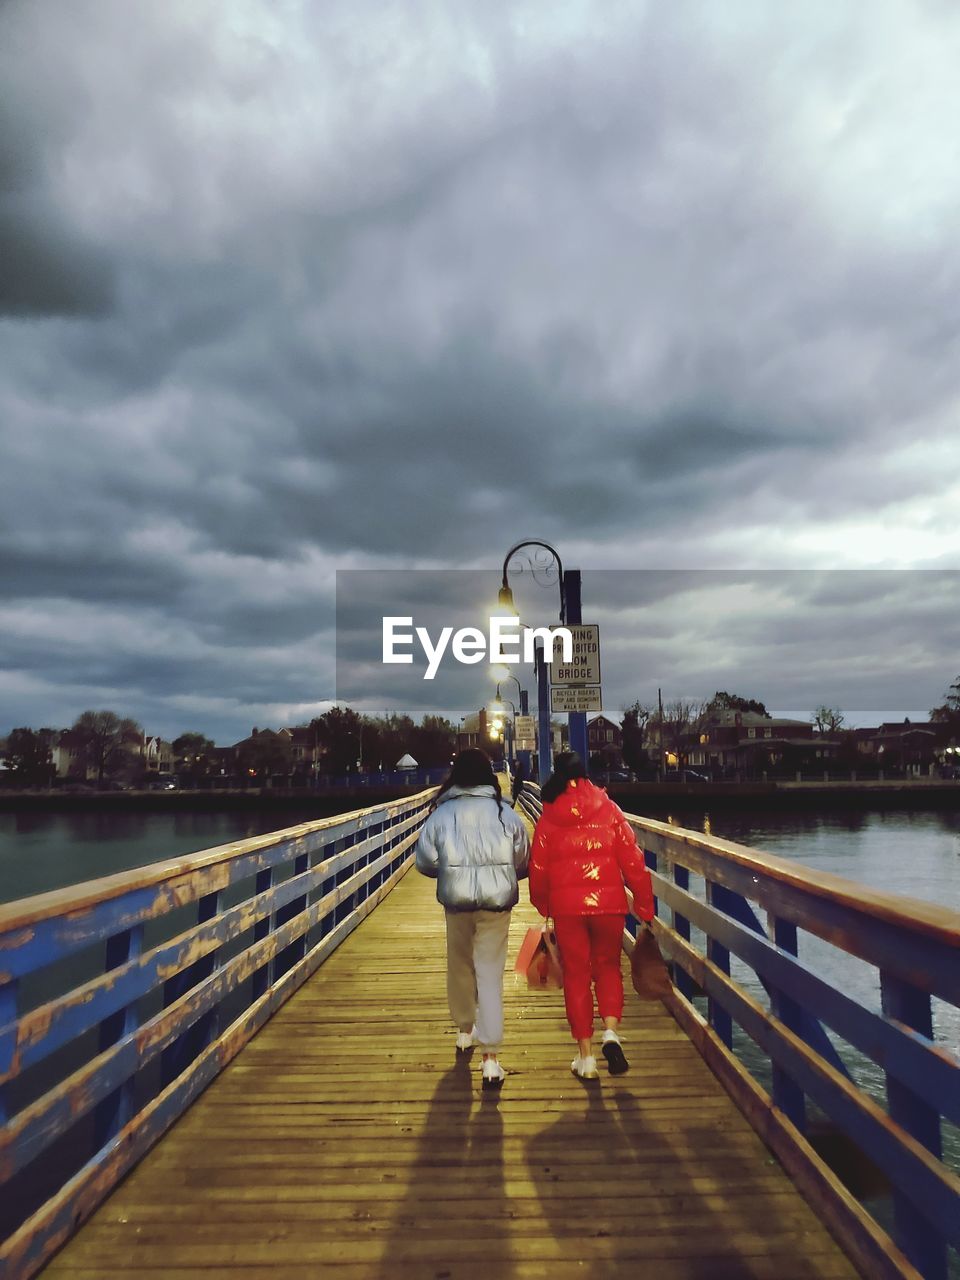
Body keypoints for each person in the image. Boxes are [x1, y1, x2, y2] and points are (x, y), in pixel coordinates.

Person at [528, 751, 655, 1080]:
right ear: (586, 775)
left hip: (568, 910)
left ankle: (585, 1058)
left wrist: (543, 903)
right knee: (608, 967)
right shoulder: (609, 809)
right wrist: (643, 904)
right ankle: (610, 1032)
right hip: (609, 905)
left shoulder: (549, 815)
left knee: (576, 976)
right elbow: (633, 859)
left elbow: (538, 867)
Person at [416, 748, 531, 1089]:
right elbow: (523, 857)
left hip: (457, 903)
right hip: (497, 904)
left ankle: (465, 1029)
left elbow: (423, 861)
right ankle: (491, 1060)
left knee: (460, 964)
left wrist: (450, 874)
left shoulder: (441, 813)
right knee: (490, 973)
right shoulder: (505, 813)